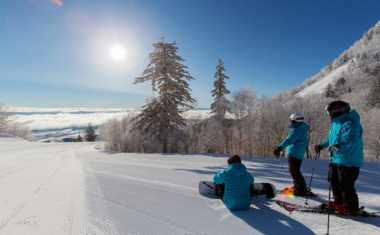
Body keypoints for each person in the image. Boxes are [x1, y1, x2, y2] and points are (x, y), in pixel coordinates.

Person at [314, 100, 363, 215]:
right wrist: (323, 145)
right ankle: (339, 202)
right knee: (333, 181)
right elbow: (332, 140)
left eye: (329, 112)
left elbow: (352, 140)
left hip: (349, 161)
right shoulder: (337, 123)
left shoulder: (351, 123)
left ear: (338, 111)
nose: (328, 115)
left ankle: (351, 208)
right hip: (337, 158)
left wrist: (339, 146)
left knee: (345, 185)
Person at [273, 113, 310, 195]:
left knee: (294, 171)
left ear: (295, 120)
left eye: (291, 120)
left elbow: (289, 140)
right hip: (297, 153)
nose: (291, 121)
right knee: (294, 171)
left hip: (295, 153)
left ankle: (301, 189)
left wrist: (279, 148)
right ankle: (298, 187)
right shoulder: (300, 128)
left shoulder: (297, 130)